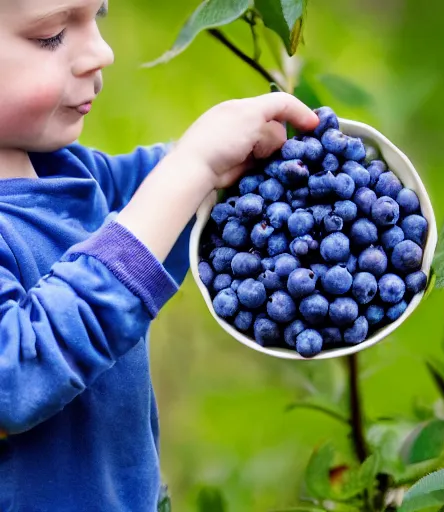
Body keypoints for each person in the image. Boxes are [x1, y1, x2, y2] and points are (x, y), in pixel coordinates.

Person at [0, 0, 320, 510]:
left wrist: (221, 163)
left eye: (98, 16)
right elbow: (14, 376)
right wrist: (187, 171)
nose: (100, 53)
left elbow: (144, 207)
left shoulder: (62, 171)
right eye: (53, 35)